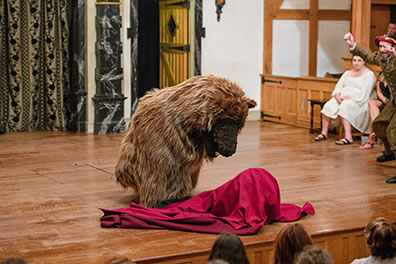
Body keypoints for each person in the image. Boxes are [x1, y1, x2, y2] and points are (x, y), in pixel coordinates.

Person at [344, 32, 396, 183]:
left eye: (385, 46)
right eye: (380, 46)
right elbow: (368, 55)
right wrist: (352, 44)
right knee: (379, 123)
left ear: (393, 46)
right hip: (394, 101)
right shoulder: (382, 58)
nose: (382, 49)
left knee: (393, 132)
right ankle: (389, 153)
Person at [314, 55, 376, 145]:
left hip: (359, 100)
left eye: (359, 60)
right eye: (354, 60)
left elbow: (365, 93)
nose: (356, 63)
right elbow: (338, 87)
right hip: (342, 97)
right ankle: (324, 133)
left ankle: (348, 137)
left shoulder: (369, 74)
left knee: (345, 107)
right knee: (328, 105)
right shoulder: (347, 73)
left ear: (364, 62)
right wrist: (338, 96)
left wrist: (352, 97)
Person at [361, 71, 391, 149]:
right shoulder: (382, 74)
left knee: (374, 112)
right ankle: (375, 128)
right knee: (372, 103)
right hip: (383, 101)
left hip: (392, 103)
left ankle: (371, 139)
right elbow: (378, 90)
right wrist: (383, 99)